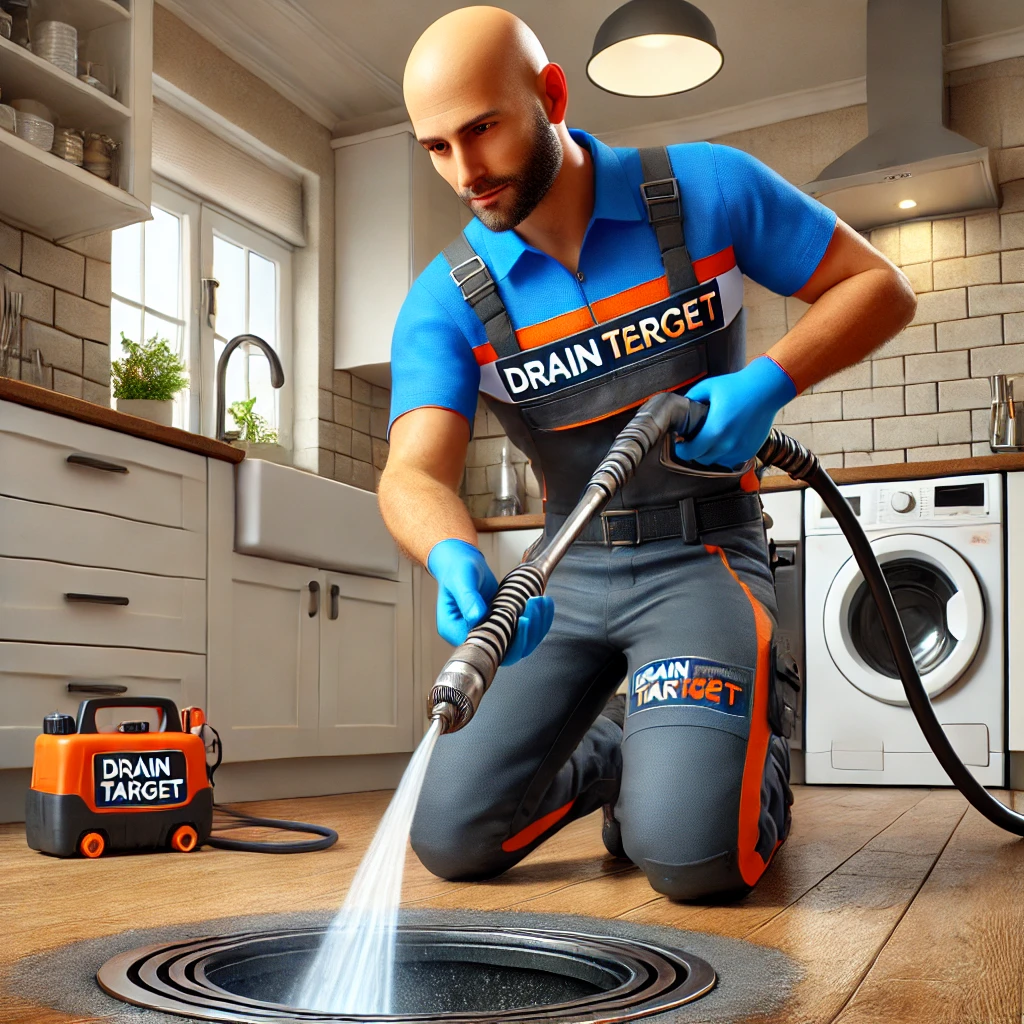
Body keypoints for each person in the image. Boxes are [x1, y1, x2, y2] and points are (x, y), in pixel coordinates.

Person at [379, 6, 916, 901]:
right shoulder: (447, 299)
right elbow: (413, 473)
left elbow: (879, 287)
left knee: (693, 859)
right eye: (435, 147)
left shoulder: (704, 188)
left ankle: (733, 750)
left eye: (482, 129)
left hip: (705, 558)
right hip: (566, 579)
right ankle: (623, 751)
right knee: (452, 838)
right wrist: (449, 556)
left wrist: (768, 383)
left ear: (550, 95)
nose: (465, 172)